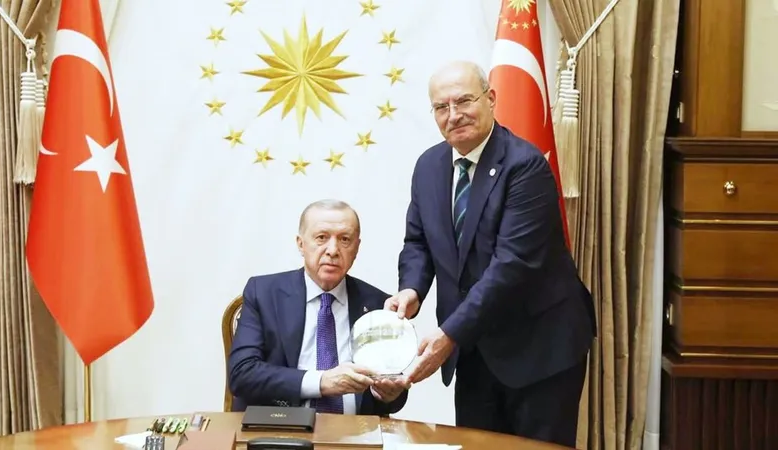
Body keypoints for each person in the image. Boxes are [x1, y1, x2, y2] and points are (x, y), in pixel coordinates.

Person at [386, 61, 597, 446]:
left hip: (540, 348)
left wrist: (448, 334)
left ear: (491, 99)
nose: (454, 115)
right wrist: (411, 289)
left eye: (464, 101)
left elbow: (511, 267)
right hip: (475, 347)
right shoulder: (429, 166)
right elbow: (419, 242)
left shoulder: (525, 166)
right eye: (441, 107)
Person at [228, 199, 410, 416]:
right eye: (322, 237)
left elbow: (393, 393)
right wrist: (321, 382)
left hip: (357, 432)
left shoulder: (377, 304)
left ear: (357, 248)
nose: (332, 250)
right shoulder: (264, 293)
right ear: (301, 244)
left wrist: (388, 394)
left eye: (344, 239)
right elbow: (242, 373)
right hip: (280, 428)